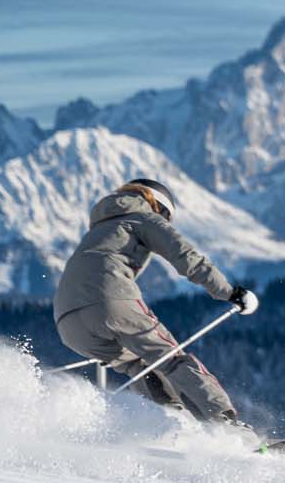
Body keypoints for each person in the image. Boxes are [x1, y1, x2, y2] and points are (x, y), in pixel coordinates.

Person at [53, 177, 258, 423]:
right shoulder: (142, 218)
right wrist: (230, 292)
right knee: (171, 360)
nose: (166, 222)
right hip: (111, 299)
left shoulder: (98, 230)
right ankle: (228, 423)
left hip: (66, 320)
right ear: (158, 206)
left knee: (138, 365)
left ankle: (168, 421)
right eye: (167, 217)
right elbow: (185, 256)